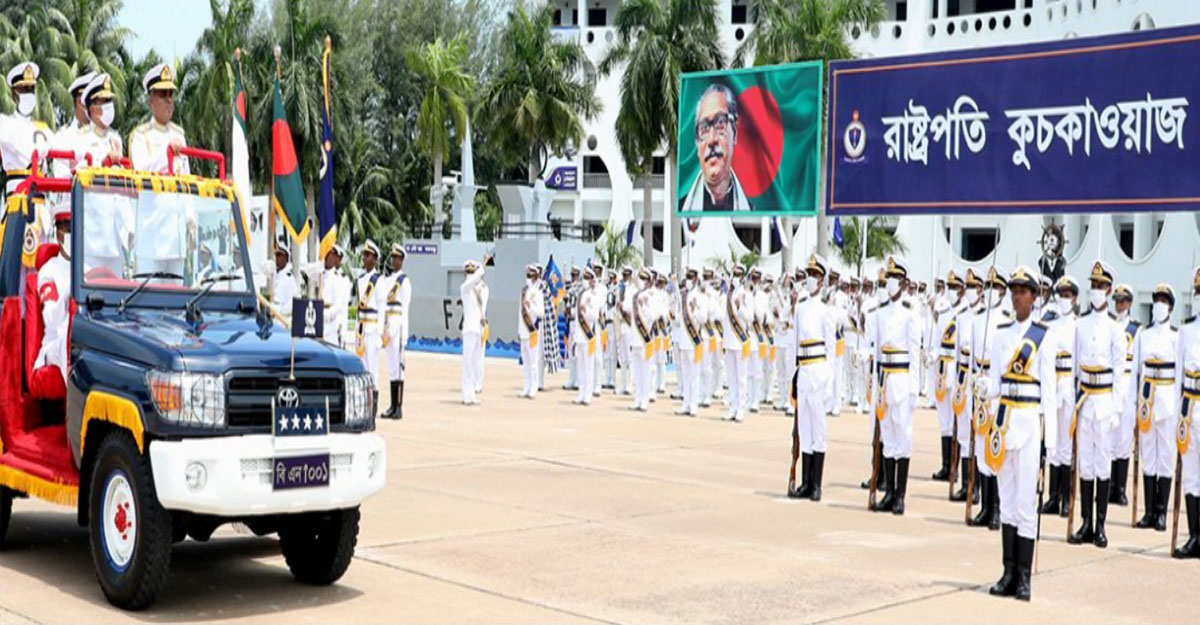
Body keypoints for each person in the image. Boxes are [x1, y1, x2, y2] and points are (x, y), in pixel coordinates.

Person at [977, 265, 1057, 603]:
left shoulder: (1043, 335)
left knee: (1026, 503)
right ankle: (1008, 571)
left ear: (1035, 296)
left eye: (1023, 290)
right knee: (1007, 500)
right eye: (1014, 289)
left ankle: (1024, 577)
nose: (1016, 295)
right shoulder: (1000, 334)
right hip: (1003, 421)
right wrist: (985, 387)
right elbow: (997, 381)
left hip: (1029, 422)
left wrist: (1050, 440)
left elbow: (1050, 390)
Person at [1068, 260, 1125, 549]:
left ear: (1110, 290)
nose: (1096, 290)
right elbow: (1075, 369)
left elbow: (1119, 372)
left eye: (1101, 286)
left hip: (1104, 399)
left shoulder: (1115, 329)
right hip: (1084, 399)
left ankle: (1101, 524)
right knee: (1085, 465)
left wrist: (1117, 409)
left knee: (1103, 463)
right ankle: (1086, 522)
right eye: (1093, 285)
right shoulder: (1080, 325)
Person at [869, 257, 922, 514]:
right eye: (887, 278)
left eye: (893, 279)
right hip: (885, 379)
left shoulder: (910, 311)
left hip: (901, 379)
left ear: (902, 282)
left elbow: (914, 352)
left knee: (903, 437)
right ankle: (888, 491)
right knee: (887, 437)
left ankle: (900, 494)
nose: (889, 283)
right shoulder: (880, 312)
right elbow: (877, 352)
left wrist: (914, 389)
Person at [1129, 284, 1178, 531]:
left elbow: (1180, 375)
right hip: (1147, 399)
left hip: (1168, 400)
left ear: (1170, 306)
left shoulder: (1176, 336)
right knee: (1148, 455)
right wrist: (1133, 405)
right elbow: (1135, 371)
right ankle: (1148, 511)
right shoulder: (1143, 334)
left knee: (1165, 457)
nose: (1159, 304)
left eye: (1163, 300)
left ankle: (1161, 513)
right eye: (1156, 299)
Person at [789, 254, 838, 501]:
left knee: (818, 428)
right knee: (804, 428)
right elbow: (795, 344)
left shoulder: (826, 311)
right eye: (809, 274)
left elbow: (831, 351)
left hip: (819, 370)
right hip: (804, 371)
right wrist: (794, 376)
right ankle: (806, 483)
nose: (810, 279)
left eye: (815, 275)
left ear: (822, 279)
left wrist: (829, 383)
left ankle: (817, 483)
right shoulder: (800, 307)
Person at [968, 267, 1012, 529]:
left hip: (997, 388)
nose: (990, 291)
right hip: (980, 385)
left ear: (1003, 291)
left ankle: (998, 509)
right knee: (982, 449)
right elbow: (973, 358)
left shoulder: (1006, 321)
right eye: (987, 286)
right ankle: (985, 506)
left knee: (997, 448)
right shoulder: (977, 320)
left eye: (995, 287)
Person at [678, 83, 753, 212]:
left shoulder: (751, 210)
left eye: (720, 123)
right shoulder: (684, 208)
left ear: (734, 133)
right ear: (697, 144)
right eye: (704, 128)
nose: (712, 139)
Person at [1041, 276, 1080, 517]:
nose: (1063, 299)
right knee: (1052, 444)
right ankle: (1052, 496)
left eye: (1067, 295)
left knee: (1066, 445)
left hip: (1068, 386)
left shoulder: (1078, 326)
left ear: (1074, 298)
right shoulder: (1051, 325)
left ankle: (1066, 498)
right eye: (1061, 295)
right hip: (1053, 385)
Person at [33, 203, 73, 393]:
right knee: (68, 332)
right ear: (58, 233)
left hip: (80, 339)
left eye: (75, 227)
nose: (72, 233)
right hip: (55, 343)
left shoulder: (88, 269)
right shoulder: (49, 270)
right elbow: (51, 319)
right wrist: (67, 297)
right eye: (67, 228)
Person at [931, 270, 966, 482]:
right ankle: (946, 465)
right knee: (944, 420)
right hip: (943, 369)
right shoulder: (943, 313)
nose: (952, 291)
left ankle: (955, 467)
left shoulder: (965, 314)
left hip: (956, 368)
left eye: (956, 288)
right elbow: (937, 343)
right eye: (950, 287)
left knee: (958, 421)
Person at [1175, 266, 1200, 559]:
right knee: (1191, 474)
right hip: (1189, 405)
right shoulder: (1186, 329)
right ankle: (1194, 535)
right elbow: (1180, 373)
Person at [129, 63, 189, 174]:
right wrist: (168, 155)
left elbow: (186, 173)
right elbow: (140, 172)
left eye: (170, 94)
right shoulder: (140, 135)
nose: (169, 100)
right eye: (163, 94)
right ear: (151, 102)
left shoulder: (179, 134)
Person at [1110, 283, 1140, 506]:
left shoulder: (1136, 330)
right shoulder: (1109, 325)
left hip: (1128, 385)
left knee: (1124, 439)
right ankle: (1109, 485)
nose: (1120, 305)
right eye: (1117, 301)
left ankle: (1120, 487)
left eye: (1123, 301)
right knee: (1109, 437)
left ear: (1129, 303)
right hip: (1111, 384)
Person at [381, 244, 412, 420]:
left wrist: (404, 333)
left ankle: (399, 406)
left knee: (399, 369)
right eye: (393, 258)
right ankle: (392, 405)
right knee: (392, 367)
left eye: (397, 258)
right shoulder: (387, 280)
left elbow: (405, 309)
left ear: (402, 260)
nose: (394, 261)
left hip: (399, 324)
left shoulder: (404, 281)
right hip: (388, 324)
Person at [304, 244, 350, 347]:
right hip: (317, 323)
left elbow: (338, 306)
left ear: (336, 258)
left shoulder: (338, 279)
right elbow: (307, 271)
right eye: (327, 254)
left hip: (330, 325)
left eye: (331, 255)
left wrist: (324, 315)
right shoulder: (320, 274)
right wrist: (320, 265)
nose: (328, 257)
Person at [674, 267, 705, 416]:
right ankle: (686, 403)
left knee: (694, 375)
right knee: (686, 374)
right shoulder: (683, 296)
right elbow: (679, 320)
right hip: (683, 340)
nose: (687, 280)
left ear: (695, 279)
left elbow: (703, 318)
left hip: (694, 341)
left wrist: (693, 311)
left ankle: (694, 405)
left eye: (690, 277)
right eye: (686, 277)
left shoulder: (699, 296)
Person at [723, 264, 753, 421]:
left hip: (740, 341)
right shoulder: (728, 294)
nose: (735, 277)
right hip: (729, 340)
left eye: (738, 274)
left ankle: (741, 407)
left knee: (741, 377)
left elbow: (750, 317)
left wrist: (740, 307)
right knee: (731, 377)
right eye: (733, 274)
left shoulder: (745, 295)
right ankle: (733, 407)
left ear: (742, 277)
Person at [355, 240, 383, 401]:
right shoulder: (360, 280)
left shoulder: (379, 281)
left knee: (372, 369)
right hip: (361, 329)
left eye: (368, 255)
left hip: (372, 329)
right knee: (361, 367)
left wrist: (379, 334)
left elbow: (382, 307)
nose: (365, 258)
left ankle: (373, 406)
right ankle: (363, 402)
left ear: (375, 258)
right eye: (364, 255)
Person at [460, 255, 490, 405]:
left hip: (477, 329)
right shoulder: (465, 288)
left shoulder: (478, 289)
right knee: (467, 363)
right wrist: (482, 266)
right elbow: (473, 280)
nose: (471, 275)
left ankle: (471, 393)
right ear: (466, 274)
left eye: (473, 272)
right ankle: (466, 394)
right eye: (469, 272)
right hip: (469, 329)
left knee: (474, 362)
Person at [627, 268, 657, 412]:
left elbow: (653, 316)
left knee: (645, 371)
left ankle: (644, 399)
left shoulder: (651, 296)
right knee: (637, 371)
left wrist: (643, 305)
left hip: (645, 338)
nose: (640, 281)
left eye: (643, 279)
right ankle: (638, 398)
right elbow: (627, 310)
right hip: (635, 338)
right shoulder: (635, 295)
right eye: (640, 278)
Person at [572, 268, 600, 405]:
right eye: (584, 278)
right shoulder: (580, 295)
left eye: (587, 278)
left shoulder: (593, 296)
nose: (584, 281)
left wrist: (586, 311)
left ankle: (588, 394)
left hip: (588, 335)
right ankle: (581, 393)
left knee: (589, 366)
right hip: (579, 335)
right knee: (581, 367)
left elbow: (595, 315)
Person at [518, 263, 544, 399]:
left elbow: (541, 313)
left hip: (532, 330)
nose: (527, 278)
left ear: (535, 277)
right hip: (523, 331)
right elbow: (519, 313)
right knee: (526, 362)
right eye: (526, 275)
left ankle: (534, 387)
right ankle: (526, 387)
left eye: (530, 275)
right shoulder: (523, 292)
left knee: (533, 363)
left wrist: (531, 307)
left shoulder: (538, 293)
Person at [267, 236, 298, 323]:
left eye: (280, 256)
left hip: (283, 318)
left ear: (286, 259)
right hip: (272, 316)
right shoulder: (275, 274)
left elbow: (292, 303)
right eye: (276, 255)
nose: (277, 258)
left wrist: (279, 311)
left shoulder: (289, 279)